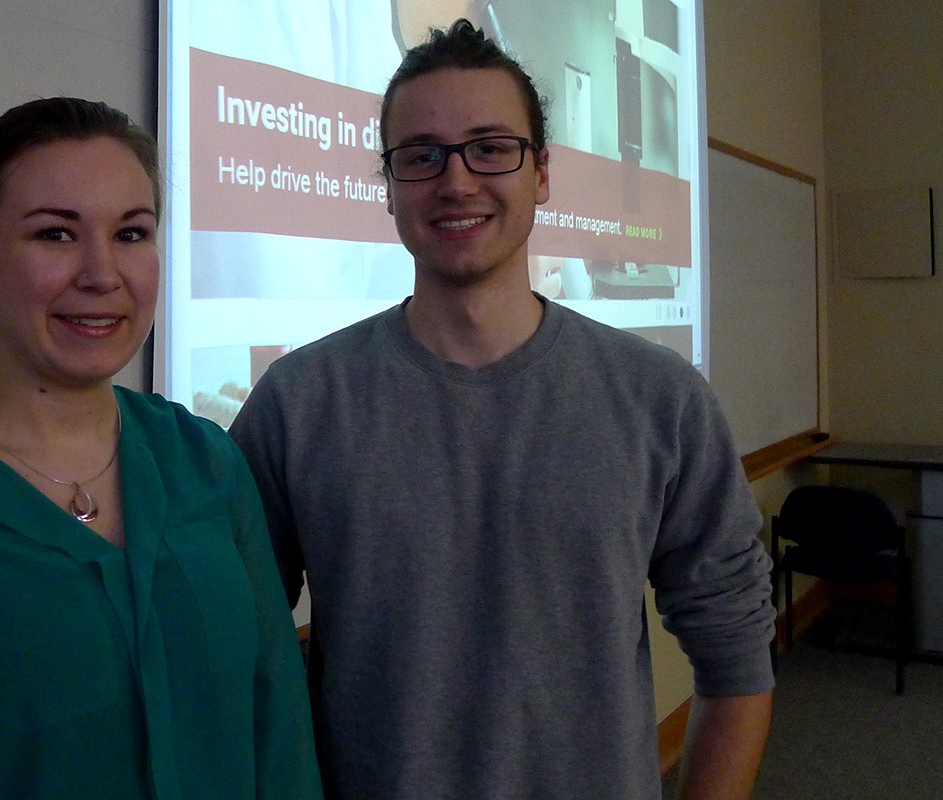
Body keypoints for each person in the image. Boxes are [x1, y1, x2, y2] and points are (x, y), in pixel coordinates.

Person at [229, 20, 774, 800]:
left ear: (542, 172)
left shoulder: (660, 399)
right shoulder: (300, 401)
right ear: (388, 185)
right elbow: (234, 649)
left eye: (491, 147)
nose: (456, 182)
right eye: (421, 156)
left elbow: (738, 660)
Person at [0, 97, 322, 800]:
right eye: (56, 234)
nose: (103, 273)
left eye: (132, 234)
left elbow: (279, 742)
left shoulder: (206, 463)